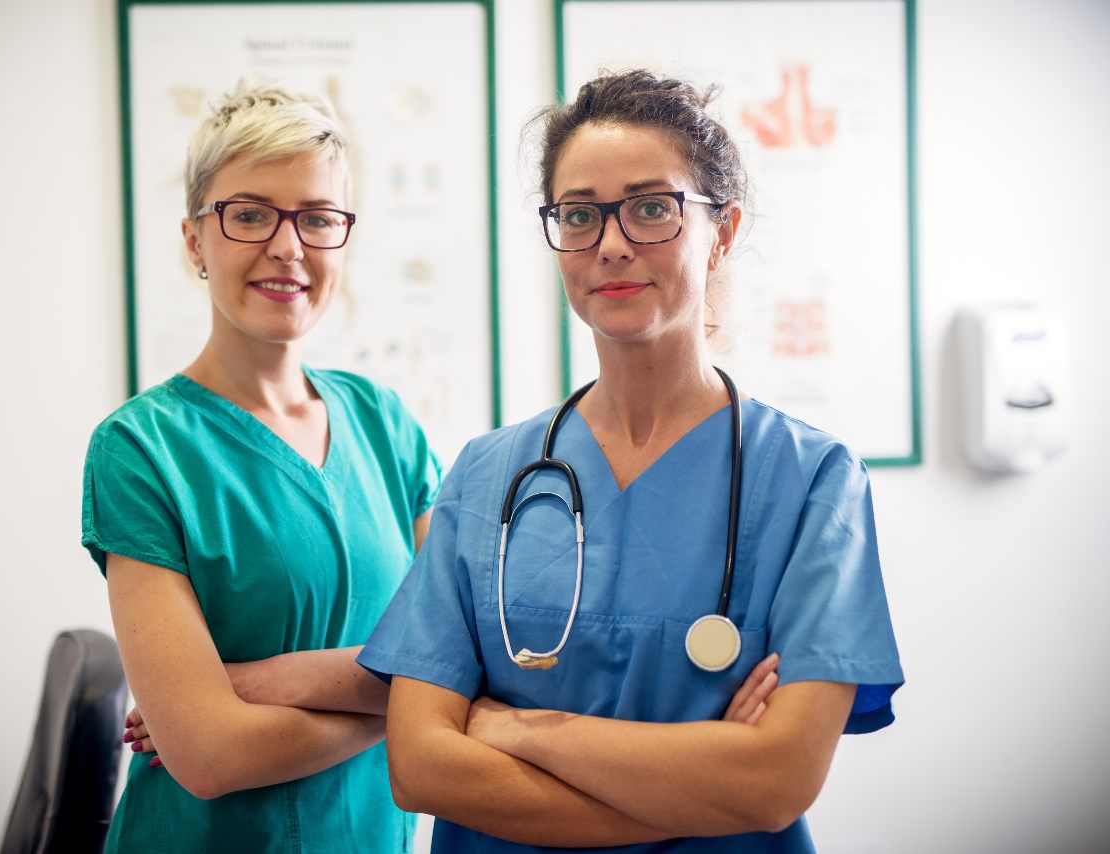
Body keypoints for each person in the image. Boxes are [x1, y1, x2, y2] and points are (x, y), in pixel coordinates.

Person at [358, 69, 904, 852]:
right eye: (579, 215)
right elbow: (419, 766)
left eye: (652, 208)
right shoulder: (485, 477)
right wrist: (704, 785)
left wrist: (520, 728)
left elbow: (776, 781)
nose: (611, 244)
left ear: (723, 231)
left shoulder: (813, 481)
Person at [81, 79, 440, 853]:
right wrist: (405, 703)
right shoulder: (141, 449)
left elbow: (466, 655)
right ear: (193, 240)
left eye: (317, 218)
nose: (288, 246)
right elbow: (209, 755)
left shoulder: (386, 425)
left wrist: (255, 681)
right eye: (249, 215)